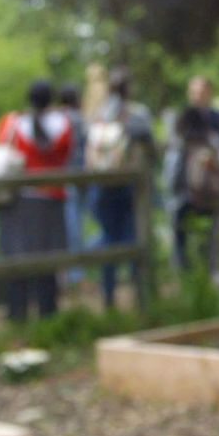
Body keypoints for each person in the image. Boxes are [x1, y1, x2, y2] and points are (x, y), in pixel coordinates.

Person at [0, 80, 72, 321]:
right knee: (47, 260)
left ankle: (17, 314)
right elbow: (67, 153)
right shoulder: (63, 124)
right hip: (51, 199)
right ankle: (48, 313)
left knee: (17, 257)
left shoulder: (13, 122)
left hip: (19, 200)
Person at [86, 67, 153, 308]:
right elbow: (149, 144)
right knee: (134, 237)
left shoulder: (98, 115)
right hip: (130, 188)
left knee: (108, 239)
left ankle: (109, 297)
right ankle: (141, 296)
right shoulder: (138, 114)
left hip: (103, 187)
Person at [163, 75, 219, 276]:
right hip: (183, 188)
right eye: (194, 91)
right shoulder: (180, 117)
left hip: (208, 189)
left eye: (201, 91)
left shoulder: (218, 119)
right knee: (180, 234)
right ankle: (183, 277)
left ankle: (208, 275)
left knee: (209, 235)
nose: (198, 95)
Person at [58, 84, 87, 287]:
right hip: (77, 177)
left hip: (60, 178)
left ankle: (68, 274)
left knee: (67, 226)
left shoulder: (58, 118)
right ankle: (76, 274)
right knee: (75, 226)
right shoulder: (78, 119)